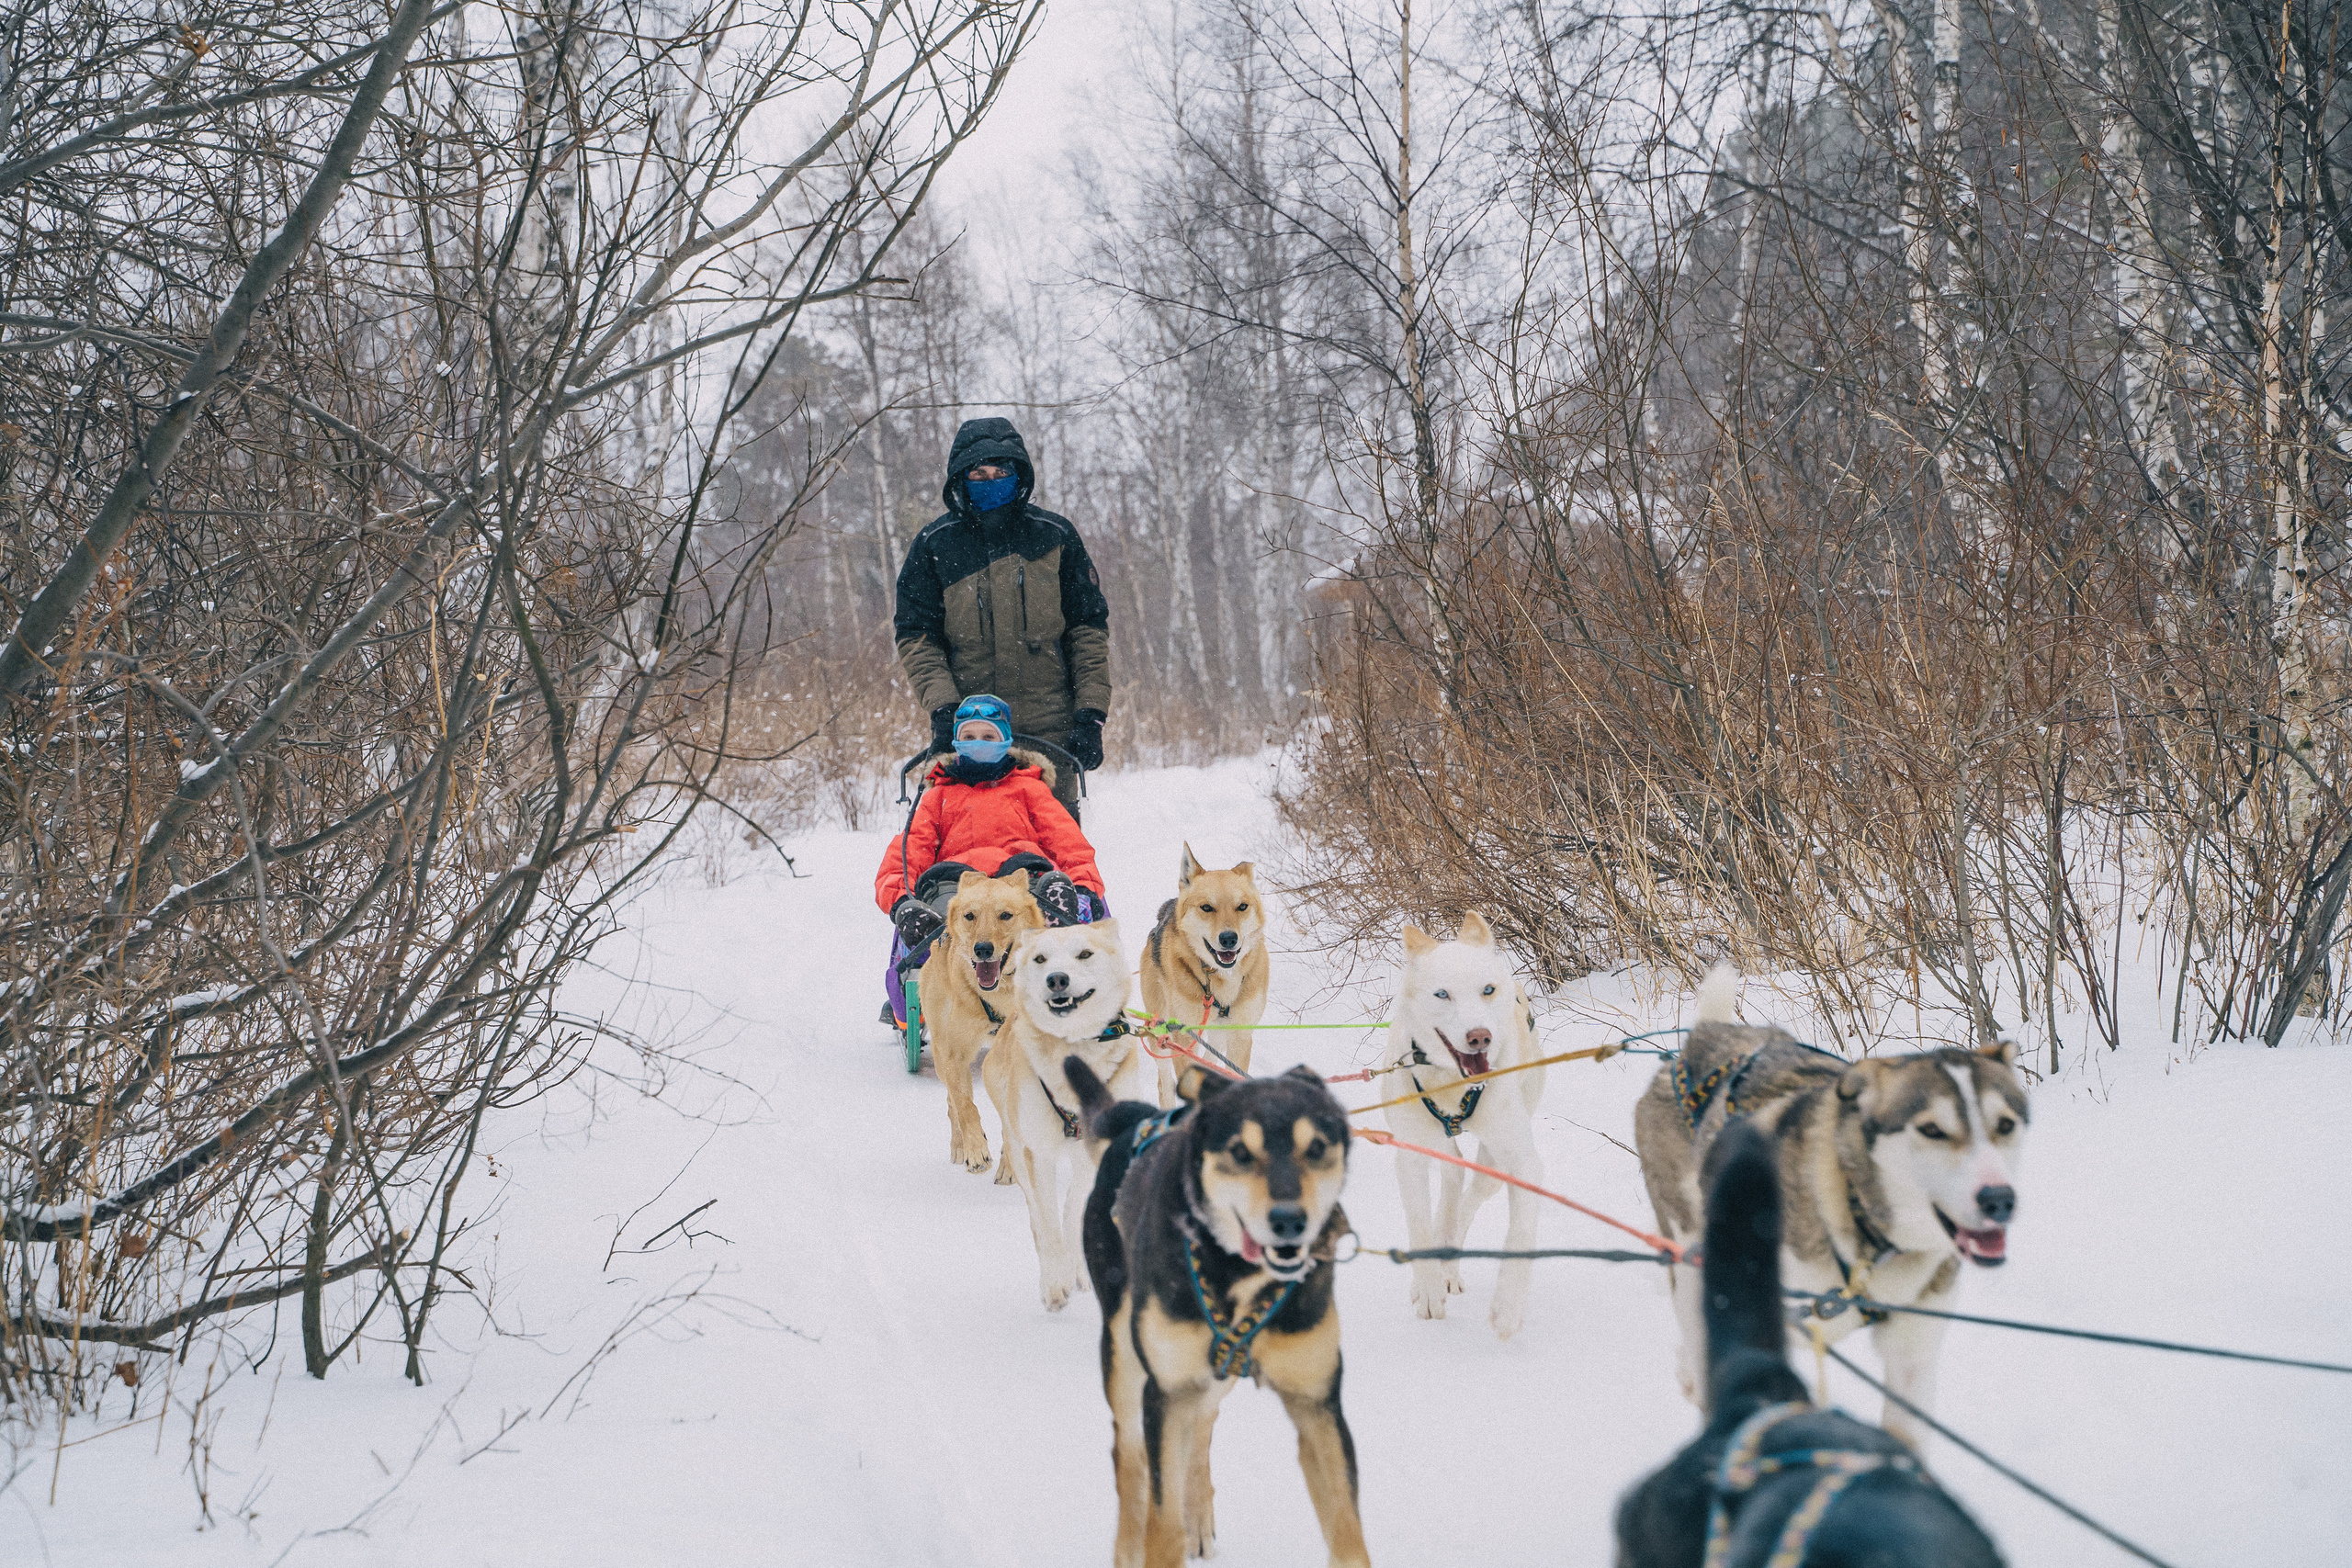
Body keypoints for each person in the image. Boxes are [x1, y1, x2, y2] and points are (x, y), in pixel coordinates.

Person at [894, 416, 1110, 819]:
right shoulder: (934, 545)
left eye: (1001, 472)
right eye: (978, 473)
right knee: (971, 850)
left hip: (1049, 731)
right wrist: (945, 711)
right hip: (971, 733)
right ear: (961, 477)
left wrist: (1090, 715)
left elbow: (1088, 632)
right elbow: (917, 638)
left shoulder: (1055, 536)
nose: (990, 480)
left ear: (1019, 474)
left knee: (1055, 853)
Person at [877, 694, 1104, 957]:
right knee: (944, 920)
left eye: (988, 737)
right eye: (969, 737)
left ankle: (1056, 912)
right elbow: (907, 855)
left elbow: (1069, 845)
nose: (978, 744)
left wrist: (1085, 889)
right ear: (956, 742)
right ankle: (932, 943)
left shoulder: (1029, 788)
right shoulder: (938, 797)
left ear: (1005, 741)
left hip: (1022, 878)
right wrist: (901, 901)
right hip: (955, 885)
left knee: (1038, 900)